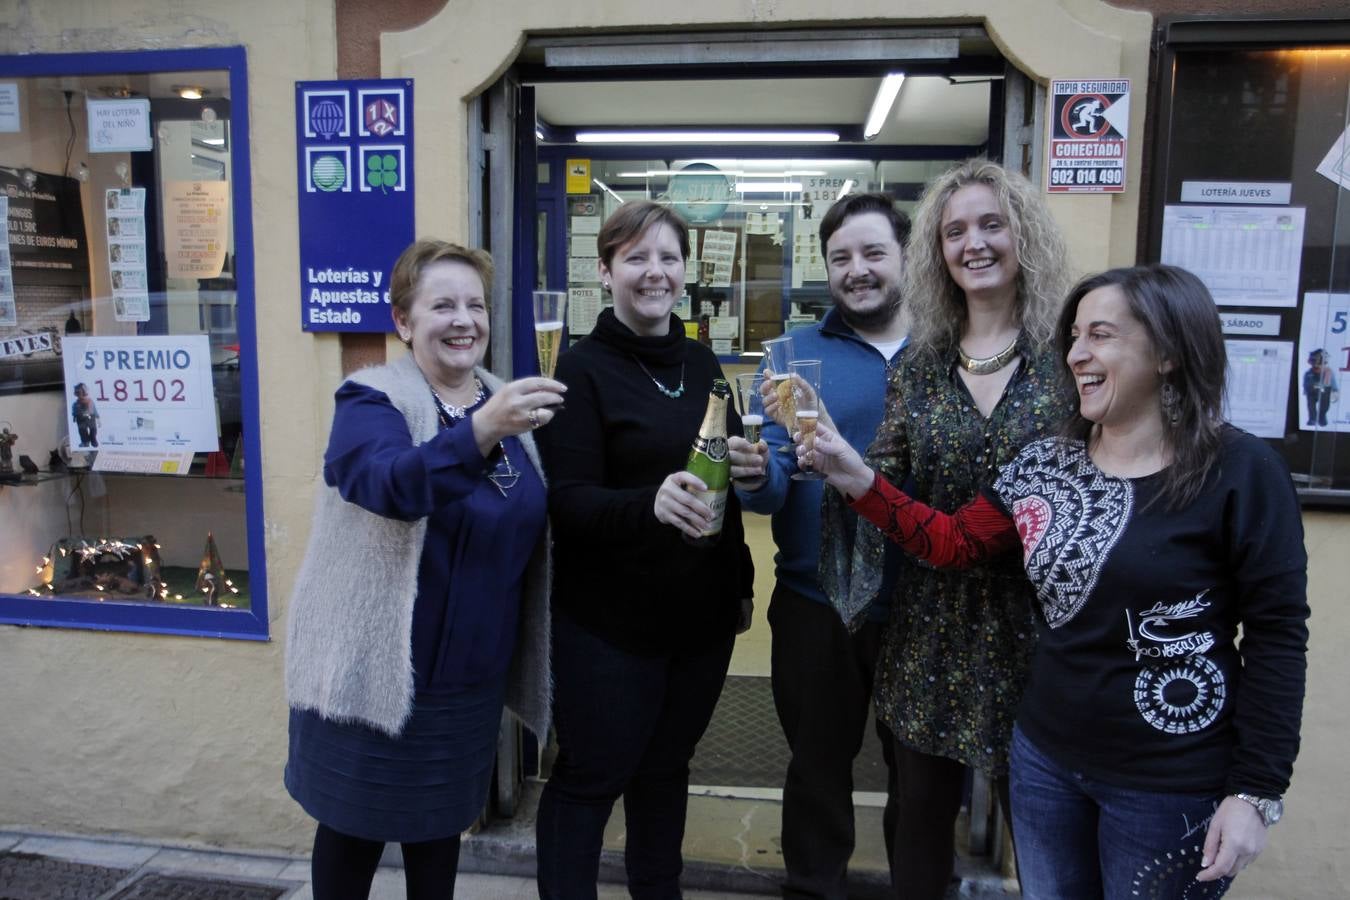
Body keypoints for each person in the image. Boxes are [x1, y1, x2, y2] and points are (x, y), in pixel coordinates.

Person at [809, 263, 1309, 899]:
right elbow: (953, 543)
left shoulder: (1240, 471)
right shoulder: (1049, 462)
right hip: (1046, 761)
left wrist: (1255, 791)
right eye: (1073, 337)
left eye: (1100, 335)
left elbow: (1277, 637)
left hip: (1170, 781)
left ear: (1169, 352)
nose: (1076, 354)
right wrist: (854, 475)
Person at [819, 158, 1073, 899]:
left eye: (992, 224)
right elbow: (882, 479)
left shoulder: (1070, 355)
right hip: (929, 629)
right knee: (920, 837)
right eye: (955, 230)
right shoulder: (921, 364)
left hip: (1042, 631)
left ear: (1023, 234)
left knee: (1046, 838)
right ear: (936, 250)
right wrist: (829, 458)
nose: (974, 243)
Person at [284, 239, 565, 900]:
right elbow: (388, 484)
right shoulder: (371, 400)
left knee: (439, 838)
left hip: (466, 686)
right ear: (405, 322)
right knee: (352, 838)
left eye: (476, 304)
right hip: (373, 675)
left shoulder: (507, 400)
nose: (464, 319)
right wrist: (477, 433)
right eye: (443, 304)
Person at [536, 200, 755, 899]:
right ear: (605, 272)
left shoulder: (701, 362)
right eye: (636, 258)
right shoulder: (579, 371)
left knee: (666, 770)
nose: (654, 272)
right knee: (591, 778)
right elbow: (566, 502)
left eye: (667, 257)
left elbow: (725, 481)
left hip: (699, 625)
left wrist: (740, 570)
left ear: (686, 272)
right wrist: (649, 502)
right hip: (608, 628)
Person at [730, 192, 909, 898]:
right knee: (816, 772)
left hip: (924, 602)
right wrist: (755, 477)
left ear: (904, 258)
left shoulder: (956, 349)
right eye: (841, 258)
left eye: (872, 254)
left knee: (921, 777)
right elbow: (774, 488)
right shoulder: (789, 354)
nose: (857, 270)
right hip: (815, 600)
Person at [1302, 348, 1339, 427]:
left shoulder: (1328, 372)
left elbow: (1332, 382)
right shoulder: (1309, 373)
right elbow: (1306, 382)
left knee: (1324, 406)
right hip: (1312, 391)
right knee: (1311, 405)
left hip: (1324, 392)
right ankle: (1312, 419)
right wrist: (1305, 390)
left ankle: (1322, 417)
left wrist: (1335, 390)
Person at [71, 383, 99, 448]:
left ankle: (93, 440)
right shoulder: (76, 403)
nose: (78, 393)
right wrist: (74, 416)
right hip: (80, 418)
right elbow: (74, 409)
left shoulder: (90, 401)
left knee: (93, 429)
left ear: (84, 391)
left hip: (90, 417)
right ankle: (85, 442)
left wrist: (97, 416)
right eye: (76, 392)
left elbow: (94, 409)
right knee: (82, 431)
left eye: (79, 392)